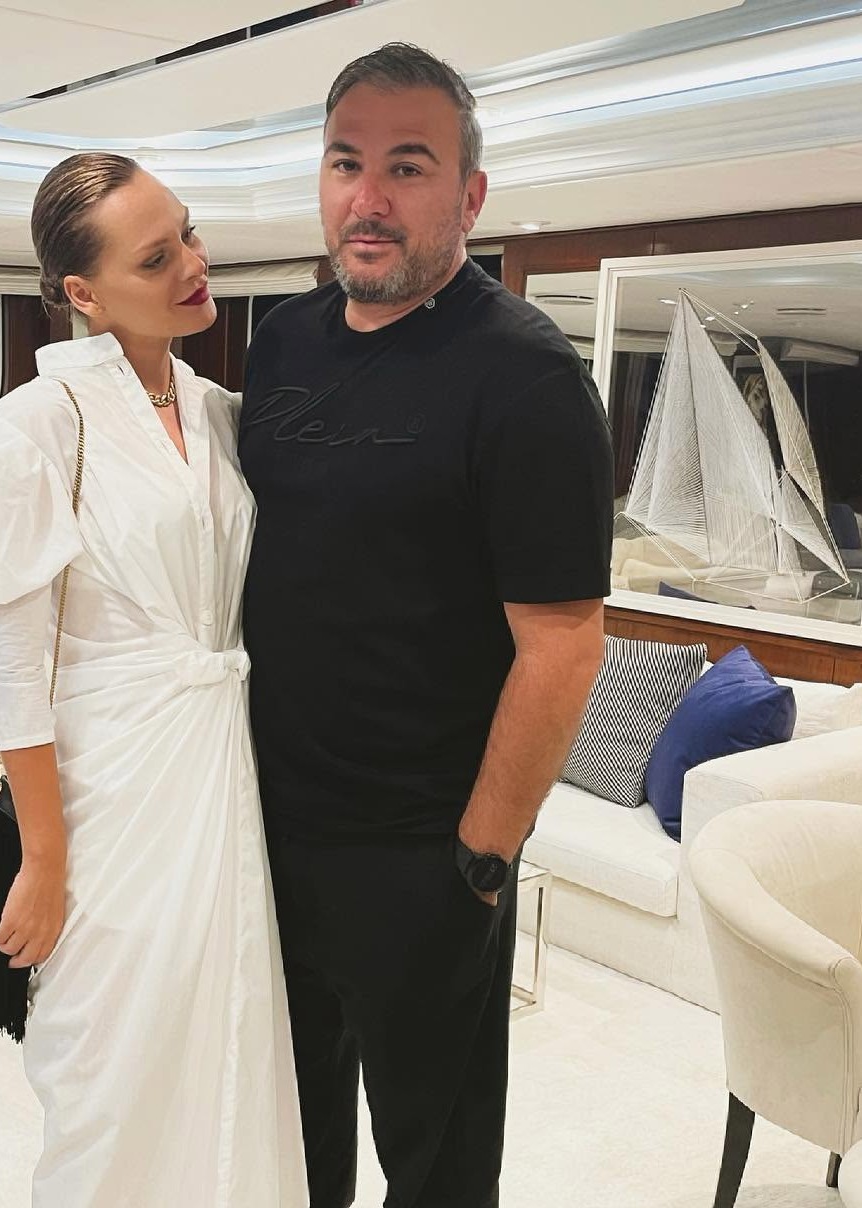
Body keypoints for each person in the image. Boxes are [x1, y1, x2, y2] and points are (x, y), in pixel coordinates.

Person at [238, 43, 614, 1208]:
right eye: (344, 162)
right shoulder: (282, 341)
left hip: (421, 855)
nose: (367, 196)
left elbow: (563, 641)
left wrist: (478, 861)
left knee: (436, 1173)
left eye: (406, 166)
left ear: (468, 194)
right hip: (262, 833)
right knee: (284, 1151)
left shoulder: (525, 377)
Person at [0, 152, 306, 1208]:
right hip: (110, 786)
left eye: (188, 232)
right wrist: (43, 855)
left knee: (231, 1035)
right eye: (155, 257)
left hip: (223, 762)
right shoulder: (30, 434)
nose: (192, 264)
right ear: (81, 292)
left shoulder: (220, 411)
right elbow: (15, 668)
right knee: (111, 1062)